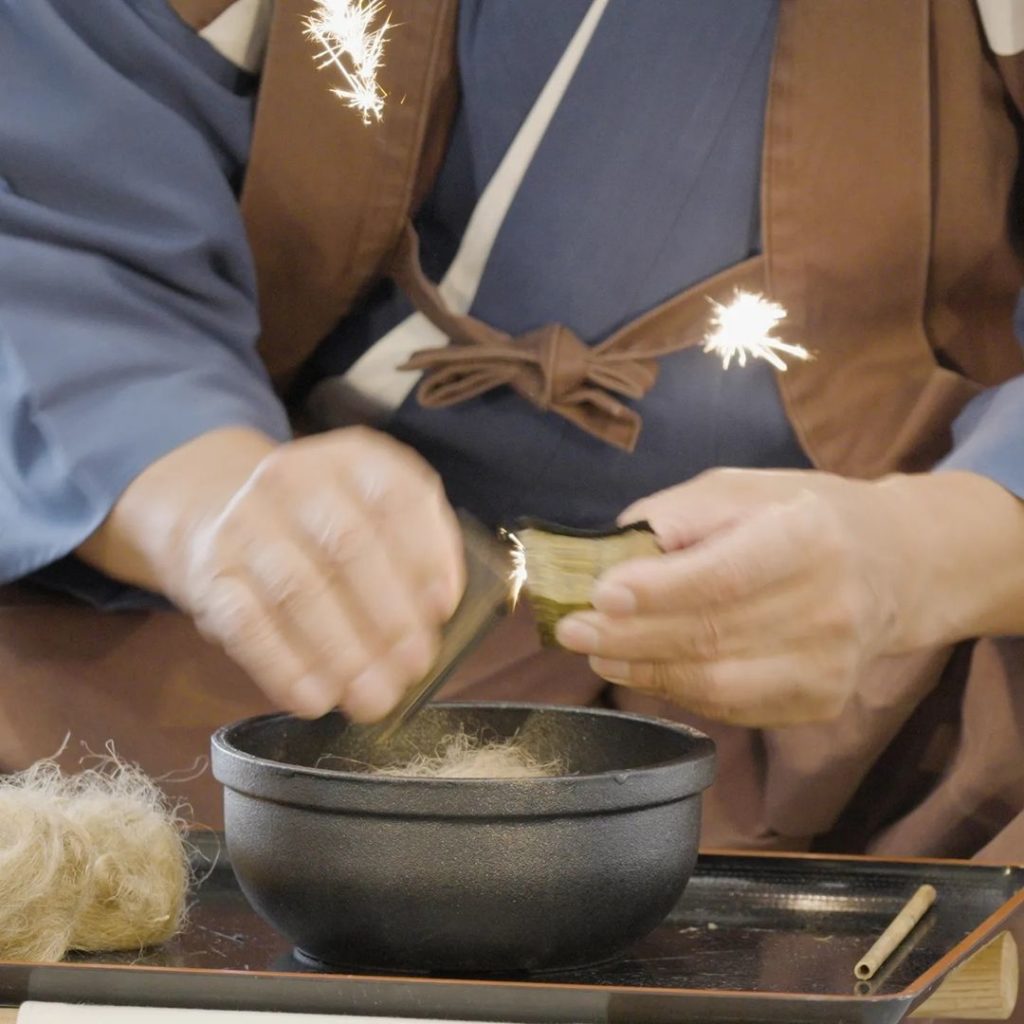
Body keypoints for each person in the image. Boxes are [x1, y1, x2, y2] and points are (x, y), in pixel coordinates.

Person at [2, 0, 1024, 859]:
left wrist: (918, 557)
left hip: (899, 649)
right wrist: (203, 495)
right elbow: (58, 175)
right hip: (301, 605)